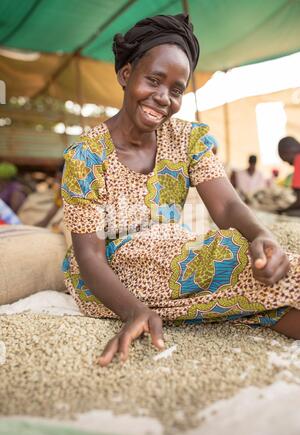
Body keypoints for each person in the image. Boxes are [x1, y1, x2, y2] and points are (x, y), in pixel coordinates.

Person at [61, 14, 300, 367]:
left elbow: (229, 209)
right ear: (126, 75)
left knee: (262, 260)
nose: (163, 98)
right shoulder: (86, 155)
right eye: (154, 80)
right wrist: (134, 311)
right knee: (226, 259)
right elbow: (90, 255)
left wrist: (262, 236)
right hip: (114, 274)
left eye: (176, 90)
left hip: (174, 251)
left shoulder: (188, 139)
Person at [277, 136, 300, 215]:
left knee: (290, 214)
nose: (289, 164)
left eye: (285, 160)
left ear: (287, 151)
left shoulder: (298, 159)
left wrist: (283, 210)